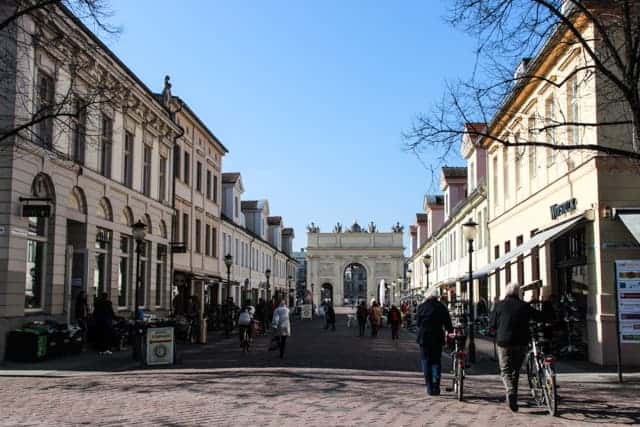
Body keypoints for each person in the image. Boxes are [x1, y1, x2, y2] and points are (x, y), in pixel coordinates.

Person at [490, 283, 541, 412]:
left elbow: (492, 324)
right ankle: (513, 397)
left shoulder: (499, 305)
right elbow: (538, 316)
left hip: (504, 342)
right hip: (521, 342)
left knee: (505, 370)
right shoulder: (524, 306)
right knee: (515, 371)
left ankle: (511, 392)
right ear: (518, 293)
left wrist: (495, 330)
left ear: (506, 292)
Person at [416, 287, 453, 396]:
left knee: (426, 361)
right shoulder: (441, 307)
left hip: (424, 338)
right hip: (437, 337)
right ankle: (436, 386)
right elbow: (448, 324)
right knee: (436, 362)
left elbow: (418, 322)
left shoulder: (422, 307)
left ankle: (429, 387)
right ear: (437, 296)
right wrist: (450, 331)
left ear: (427, 296)